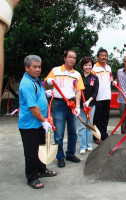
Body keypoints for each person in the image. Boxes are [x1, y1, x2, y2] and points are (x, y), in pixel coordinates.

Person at [19, 55, 57, 189]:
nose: (37, 69)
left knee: (41, 147)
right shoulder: (27, 83)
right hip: (30, 125)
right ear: (26, 68)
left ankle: (42, 169)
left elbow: (37, 96)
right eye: (34, 67)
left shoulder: (35, 80)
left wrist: (44, 93)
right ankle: (32, 177)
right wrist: (43, 121)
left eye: (39, 67)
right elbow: (33, 107)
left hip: (40, 123)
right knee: (31, 152)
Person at [45, 49, 84, 168]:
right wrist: (49, 82)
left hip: (71, 103)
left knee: (73, 131)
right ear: (65, 58)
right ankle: (60, 157)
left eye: (74, 58)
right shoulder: (55, 71)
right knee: (59, 133)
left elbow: (78, 90)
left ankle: (70, 154)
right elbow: (46, 83)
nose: (72, 59)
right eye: (70, 57)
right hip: (59, 104)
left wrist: (77, 106)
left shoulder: (76, 74)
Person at [78, 57, 99, 154]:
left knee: (90, 125)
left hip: (91, 105)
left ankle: (89, 145)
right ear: (82, 66)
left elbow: (95, 92)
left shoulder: (94, 78)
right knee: (82, 125)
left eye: (89, 65)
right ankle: (82, 146)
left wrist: (88, 101)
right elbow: (76, 90)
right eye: (86, 65)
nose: (88, 67)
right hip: (81, 106)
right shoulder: (79, 77)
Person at [93, 49, 112, 143]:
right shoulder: (94, 69)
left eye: (105, 55)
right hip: (98, 97)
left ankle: (104, 134)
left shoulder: (109, 68)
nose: (104, 57)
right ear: (97, 57)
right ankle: (96, 137)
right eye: (102, 55)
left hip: (107, 96)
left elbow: (110, 80)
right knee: (97, 118)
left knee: (105, 117)